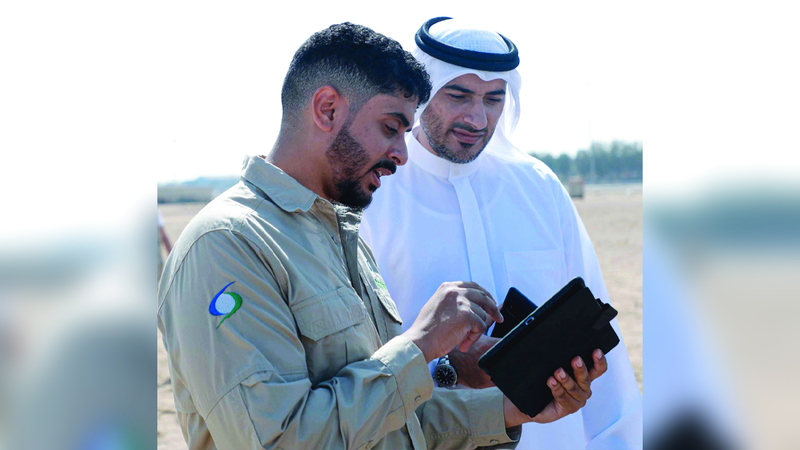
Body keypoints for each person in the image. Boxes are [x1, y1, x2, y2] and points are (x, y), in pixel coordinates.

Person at [158, 22, 607, 450]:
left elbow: (392, 424)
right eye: (391, 128)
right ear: (327, 109)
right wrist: (420, 343)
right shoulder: (226, 244)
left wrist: (512, 409)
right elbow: (279, 440)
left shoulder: (339, 236)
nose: (402, 154)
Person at [361, 17, 643, 449]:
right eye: (458, 96)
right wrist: (446, 369)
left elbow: (607, 364)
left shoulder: (538, 188)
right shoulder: (372, 194)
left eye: (494, 99)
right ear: (422, 93)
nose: (477, 118)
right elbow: (352, 369)